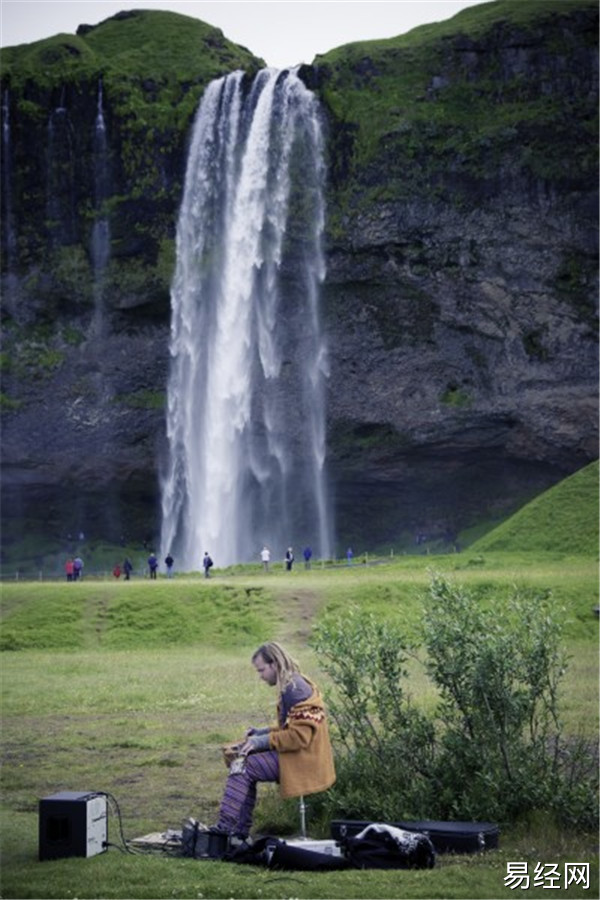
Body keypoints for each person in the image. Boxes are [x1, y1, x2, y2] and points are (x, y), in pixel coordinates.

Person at [214, 641, 336, 839]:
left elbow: (298, 737)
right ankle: (237, 832)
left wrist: (258, 743)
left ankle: (226, 831)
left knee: (243, 766)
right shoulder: (293, 683)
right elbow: (289, 728)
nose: (260, 676)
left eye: (261, 670)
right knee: (243, 765)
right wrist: (259, 733)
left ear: (275, 665)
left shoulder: (295, 690)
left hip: (304, 761)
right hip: (299, 755)